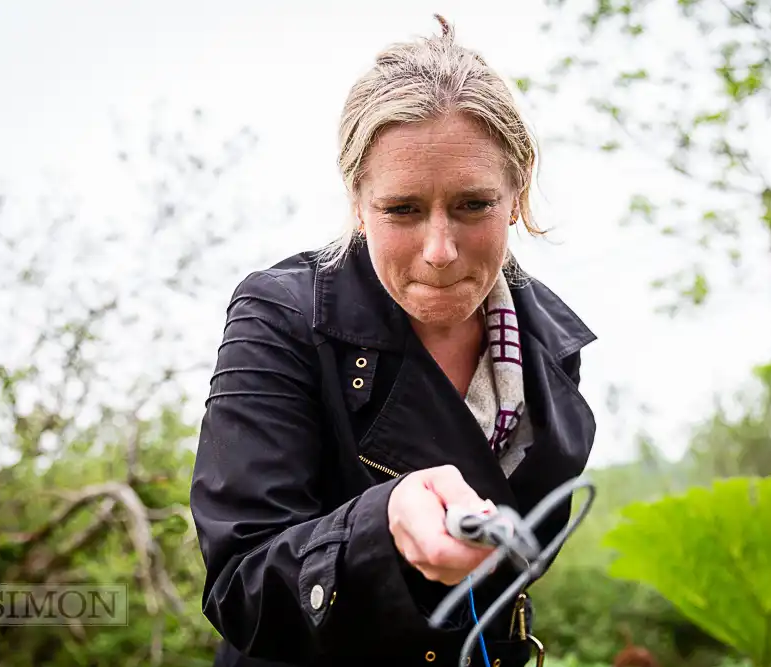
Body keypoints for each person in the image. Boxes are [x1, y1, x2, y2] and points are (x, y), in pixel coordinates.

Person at [190, 14, 597, 667]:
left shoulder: (552, 345)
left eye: (472, 205)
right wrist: (384, 527)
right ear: (357, 202)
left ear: (517, 194)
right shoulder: (281, 317)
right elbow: (241, 583)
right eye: (403, 209)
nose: (439, 250)